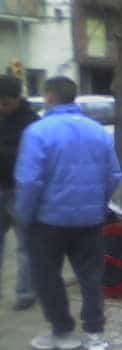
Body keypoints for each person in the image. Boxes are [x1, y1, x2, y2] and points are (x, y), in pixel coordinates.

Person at [15, 76, 122, 350]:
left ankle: (62, 331)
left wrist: (24, 216)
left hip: (48, 221)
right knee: (91, 277)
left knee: (48, 277)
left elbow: (29, 181)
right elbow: (113, 176)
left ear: (49, 97)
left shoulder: (37, 132)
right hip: (89, 221)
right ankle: (95, 334)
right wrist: (103, 208)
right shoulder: (97, 131)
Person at [0, 75, 38, 311]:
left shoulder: (31, 122)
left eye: (4, 102)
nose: (0, 107)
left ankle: (25, 293)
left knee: (25, 246)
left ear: (17, 99)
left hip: (20, 192)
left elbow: (29, 158)